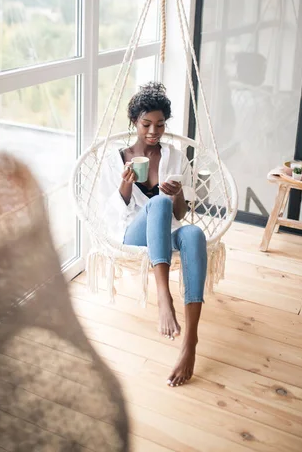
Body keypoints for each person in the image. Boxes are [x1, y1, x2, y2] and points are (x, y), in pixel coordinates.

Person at [100, 82, 207, 387]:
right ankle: (163, 297)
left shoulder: (174, 156)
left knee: (195, 234)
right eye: (146, 124)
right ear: (134, 121)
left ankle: (191, 342)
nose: (153, 131)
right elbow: (110, 214)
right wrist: (125, 184)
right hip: (133, 233)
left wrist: (178, 194)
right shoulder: (115, 158)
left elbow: (180, 215)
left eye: (160, 125)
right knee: (156, 201)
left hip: (165, 230)